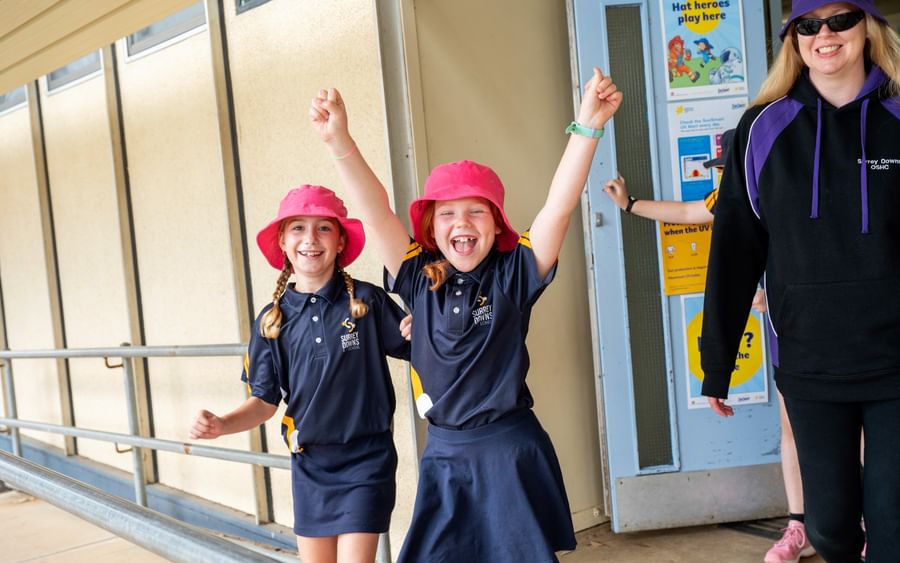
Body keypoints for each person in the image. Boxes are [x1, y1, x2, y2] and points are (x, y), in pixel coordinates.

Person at [310, 67, 622, 562]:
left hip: (509, 450)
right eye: (448, 213)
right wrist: (339, 141)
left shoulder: (514, 272)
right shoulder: (416, 275)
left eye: (476, 211)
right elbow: (376, 213)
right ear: (431, 229)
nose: (462, 222)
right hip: (445, 453)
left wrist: (588, 127)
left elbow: (558, 208)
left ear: (496, 223)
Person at [700, 1, 900, 561]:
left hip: (896, 360)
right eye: (809, 25)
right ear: (793, 38)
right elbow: (736, 250)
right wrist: (718, 362)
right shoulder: (762, 127)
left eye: (841, 20)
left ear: (869, 28)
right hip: (812, 363)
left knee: (894, 525)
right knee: (831, 527)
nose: (825, 35)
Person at [603, 133, 812, 563]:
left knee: (857, 428)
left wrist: (777, 292)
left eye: (730, 169)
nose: (725, 177)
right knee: (794, 429)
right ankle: (800, 526)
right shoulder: (728, 198)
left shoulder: (796, 189)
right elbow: (685, 211)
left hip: (826, 325)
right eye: (722, 171)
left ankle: (865, 521)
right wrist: (629, 204)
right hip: (784, 334)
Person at [189, 185, 410, 563]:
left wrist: (424, 327)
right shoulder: (271, 322)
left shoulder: (366, 302)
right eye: (298, 228)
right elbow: (263, 403)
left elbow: (421, 350)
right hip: (310, 465)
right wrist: (222, 424)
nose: (311, 239)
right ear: (283, 242)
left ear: (340, 241)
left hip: (365, 460)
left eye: (324, 228)